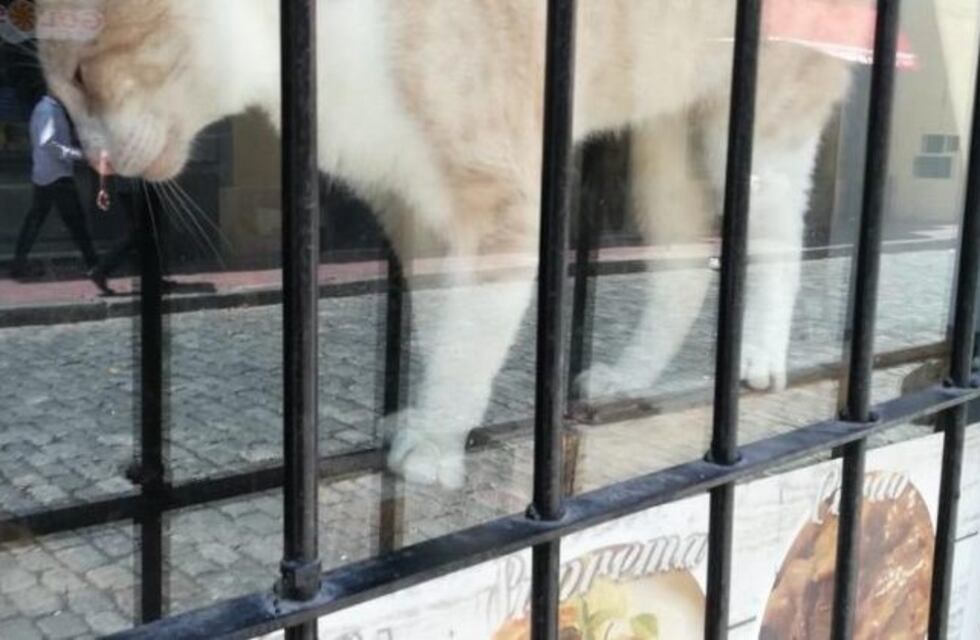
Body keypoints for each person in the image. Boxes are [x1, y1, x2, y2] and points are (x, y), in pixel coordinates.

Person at [10, 94, 112, 294]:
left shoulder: (43, 109)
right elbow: (48, 142)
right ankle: (95, 268)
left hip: (45, 174)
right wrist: (77, 154)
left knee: (36, 219)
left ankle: (18, 263)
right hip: (57, 176)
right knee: (77, 225)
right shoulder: (49, 111)